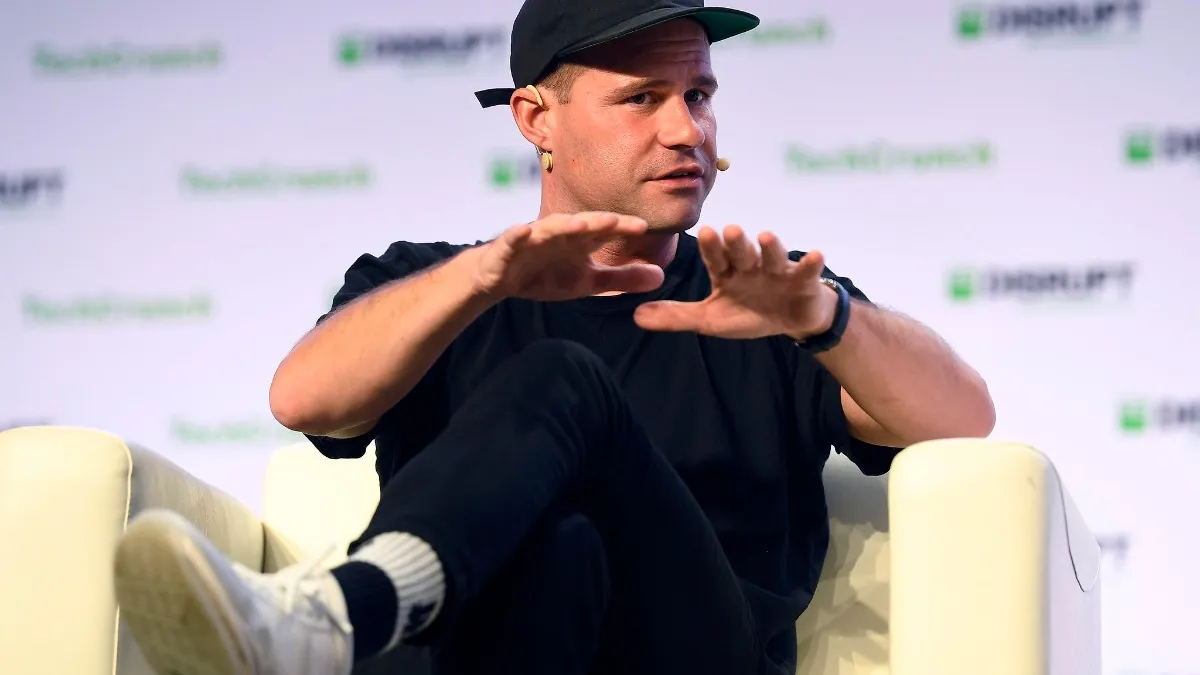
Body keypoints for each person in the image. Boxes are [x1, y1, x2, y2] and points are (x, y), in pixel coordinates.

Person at [111, 0, 996, 673]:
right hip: (475, 651)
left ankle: (344, 616)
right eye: (643, 98)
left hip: (685, 653)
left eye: (699, 94)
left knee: (566, 384)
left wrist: (824, 317)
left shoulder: (767, 295)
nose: (687, 130)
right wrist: (481, 278)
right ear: (537, 120)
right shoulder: (431, 283)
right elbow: (304, 401)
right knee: (555, 546)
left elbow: (962, 421)